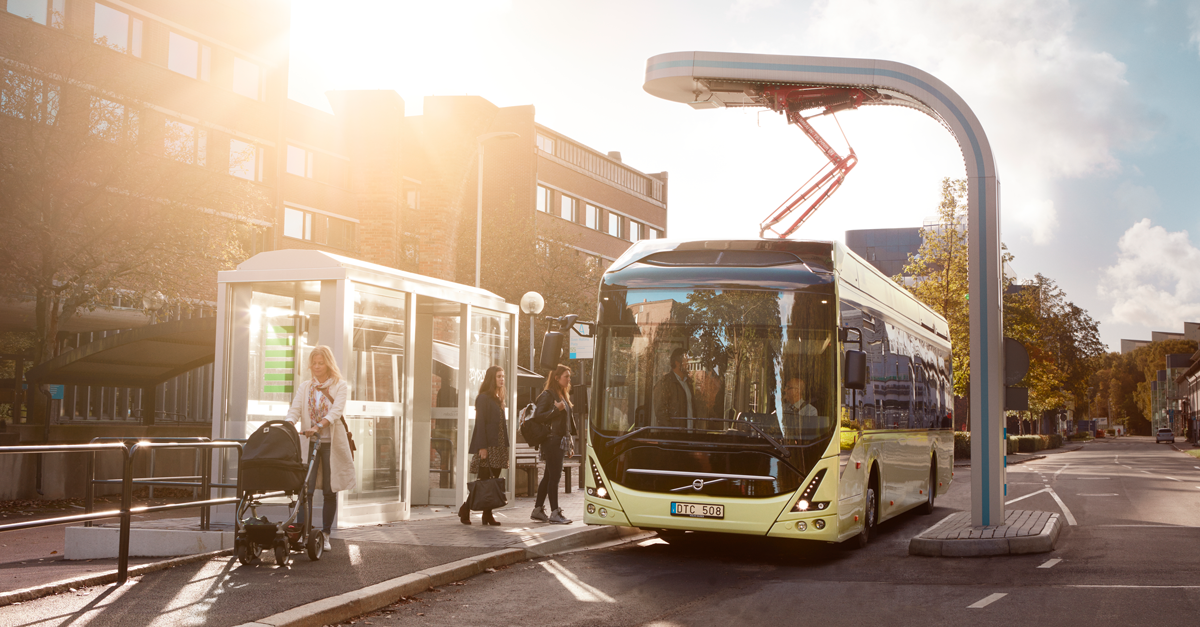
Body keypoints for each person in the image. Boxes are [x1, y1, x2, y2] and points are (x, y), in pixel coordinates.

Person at [286, 346, 355, 552]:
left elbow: (335, 412)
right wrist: (288, 424)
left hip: (330, 444)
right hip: (310, 443)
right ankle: (300, 532)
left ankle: (325, 534)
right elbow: (295, 409)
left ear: (328, 364)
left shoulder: (339, 386)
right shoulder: (305, 387)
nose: (316, 367)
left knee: (329, 489)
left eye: (321, 363)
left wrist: (318, 426)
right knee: (304, 488)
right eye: (314, 363)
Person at [460, 366, 509, 526]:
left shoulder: (497, 397)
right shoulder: (483, 398)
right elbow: (480, 423)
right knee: (483, 481)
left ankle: (487, 515)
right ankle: (465, 509)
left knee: (492, 481)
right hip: (488, 446)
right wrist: (482, 447)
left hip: (499, 446)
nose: (502, 379)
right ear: (491, 379)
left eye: (503, 376)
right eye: (498, 376)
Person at [531, 364, 576, 525]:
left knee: (549, 476)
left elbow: (566, 422)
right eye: (566, 376)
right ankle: (555, 513)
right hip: (551, 440)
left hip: (559, 440)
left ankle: (537, 510)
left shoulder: (562, 394)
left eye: (569, 376)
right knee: (554, 476)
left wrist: (569, 441)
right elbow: (537, 417)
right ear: (556, 378)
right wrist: (556, 410)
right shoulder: (548, 395)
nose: (569, 379)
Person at [654, 348, 694, 425]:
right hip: (675, 435)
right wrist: (672, 434)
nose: (689, 364)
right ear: (677, 363)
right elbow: (661, 415)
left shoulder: (688, 383)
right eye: (686, 360)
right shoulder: (664, 383)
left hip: (690, 434)